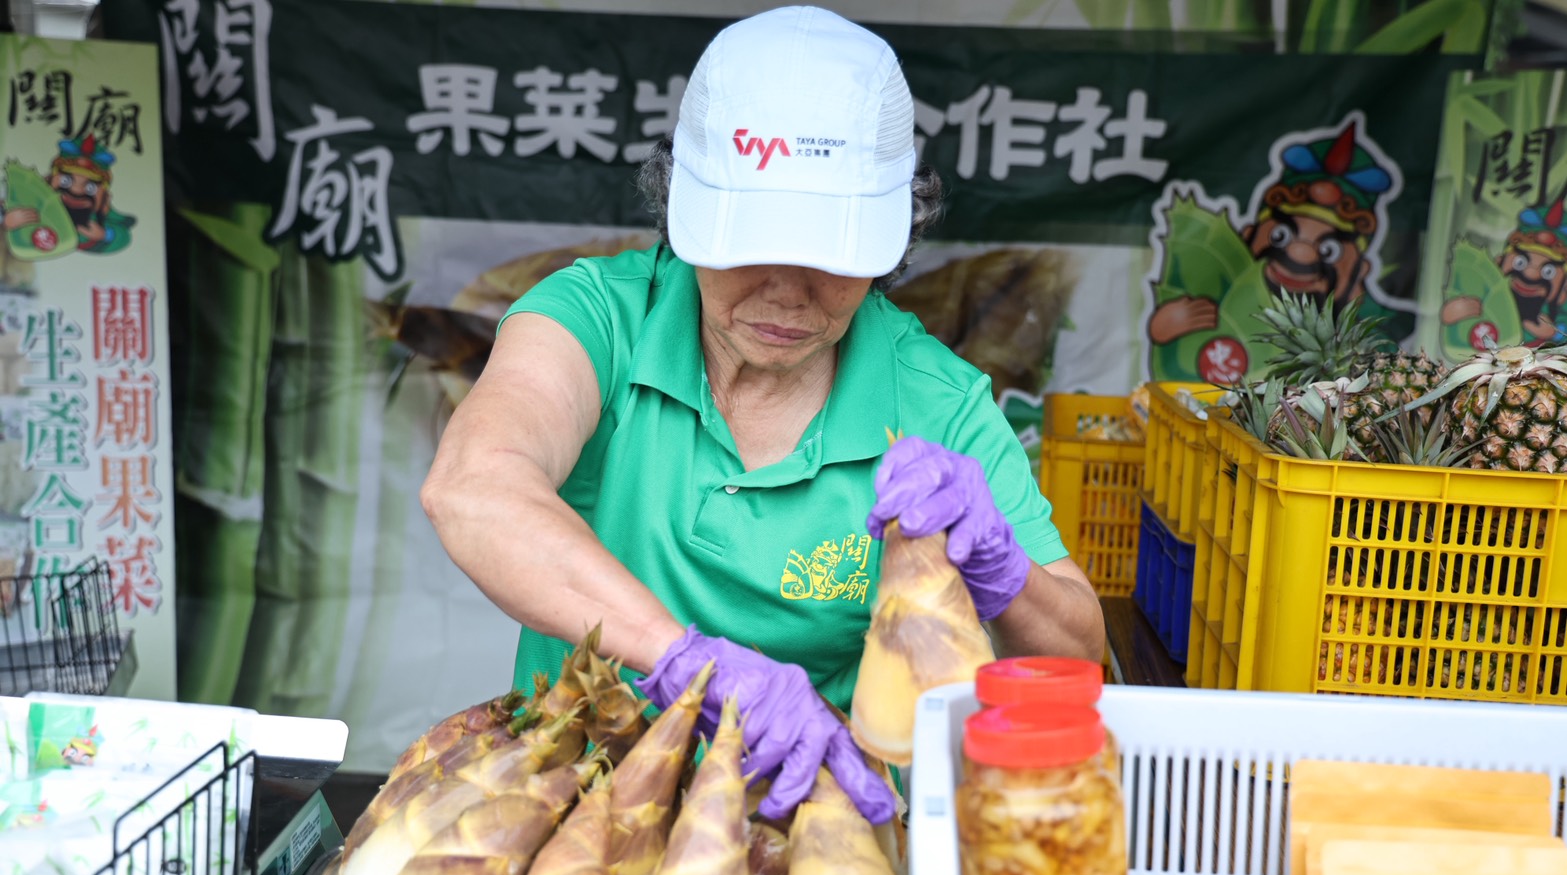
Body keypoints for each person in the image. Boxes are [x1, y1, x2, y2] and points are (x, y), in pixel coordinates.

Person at [421, 5, 1104, 826]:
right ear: (680, 210)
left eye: (830, 257)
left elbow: (1078, 653)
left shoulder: (936, 400)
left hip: (819, 826)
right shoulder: (596, 319)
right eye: (749, 245)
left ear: (894, 239)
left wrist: (1002, 568)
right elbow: (472, 488)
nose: (785, 292)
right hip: (577, 807)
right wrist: (682, 659)